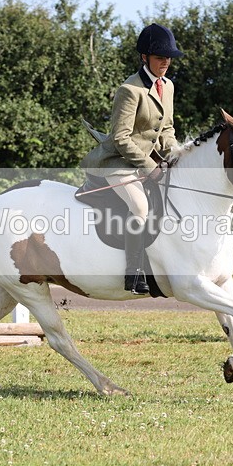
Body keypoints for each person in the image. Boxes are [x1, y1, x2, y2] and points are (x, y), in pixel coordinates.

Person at [80, 23, 184, 294]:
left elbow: (168, 127)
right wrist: (150, 167)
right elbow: (120, 138)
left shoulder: (168, 86)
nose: (166, 62)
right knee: (140, 207)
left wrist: (173, 154)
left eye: (168, 58)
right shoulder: (130, 89)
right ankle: (133, 274)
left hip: (147, 159)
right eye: (160, 57)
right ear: (144, 58)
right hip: (118, 162)